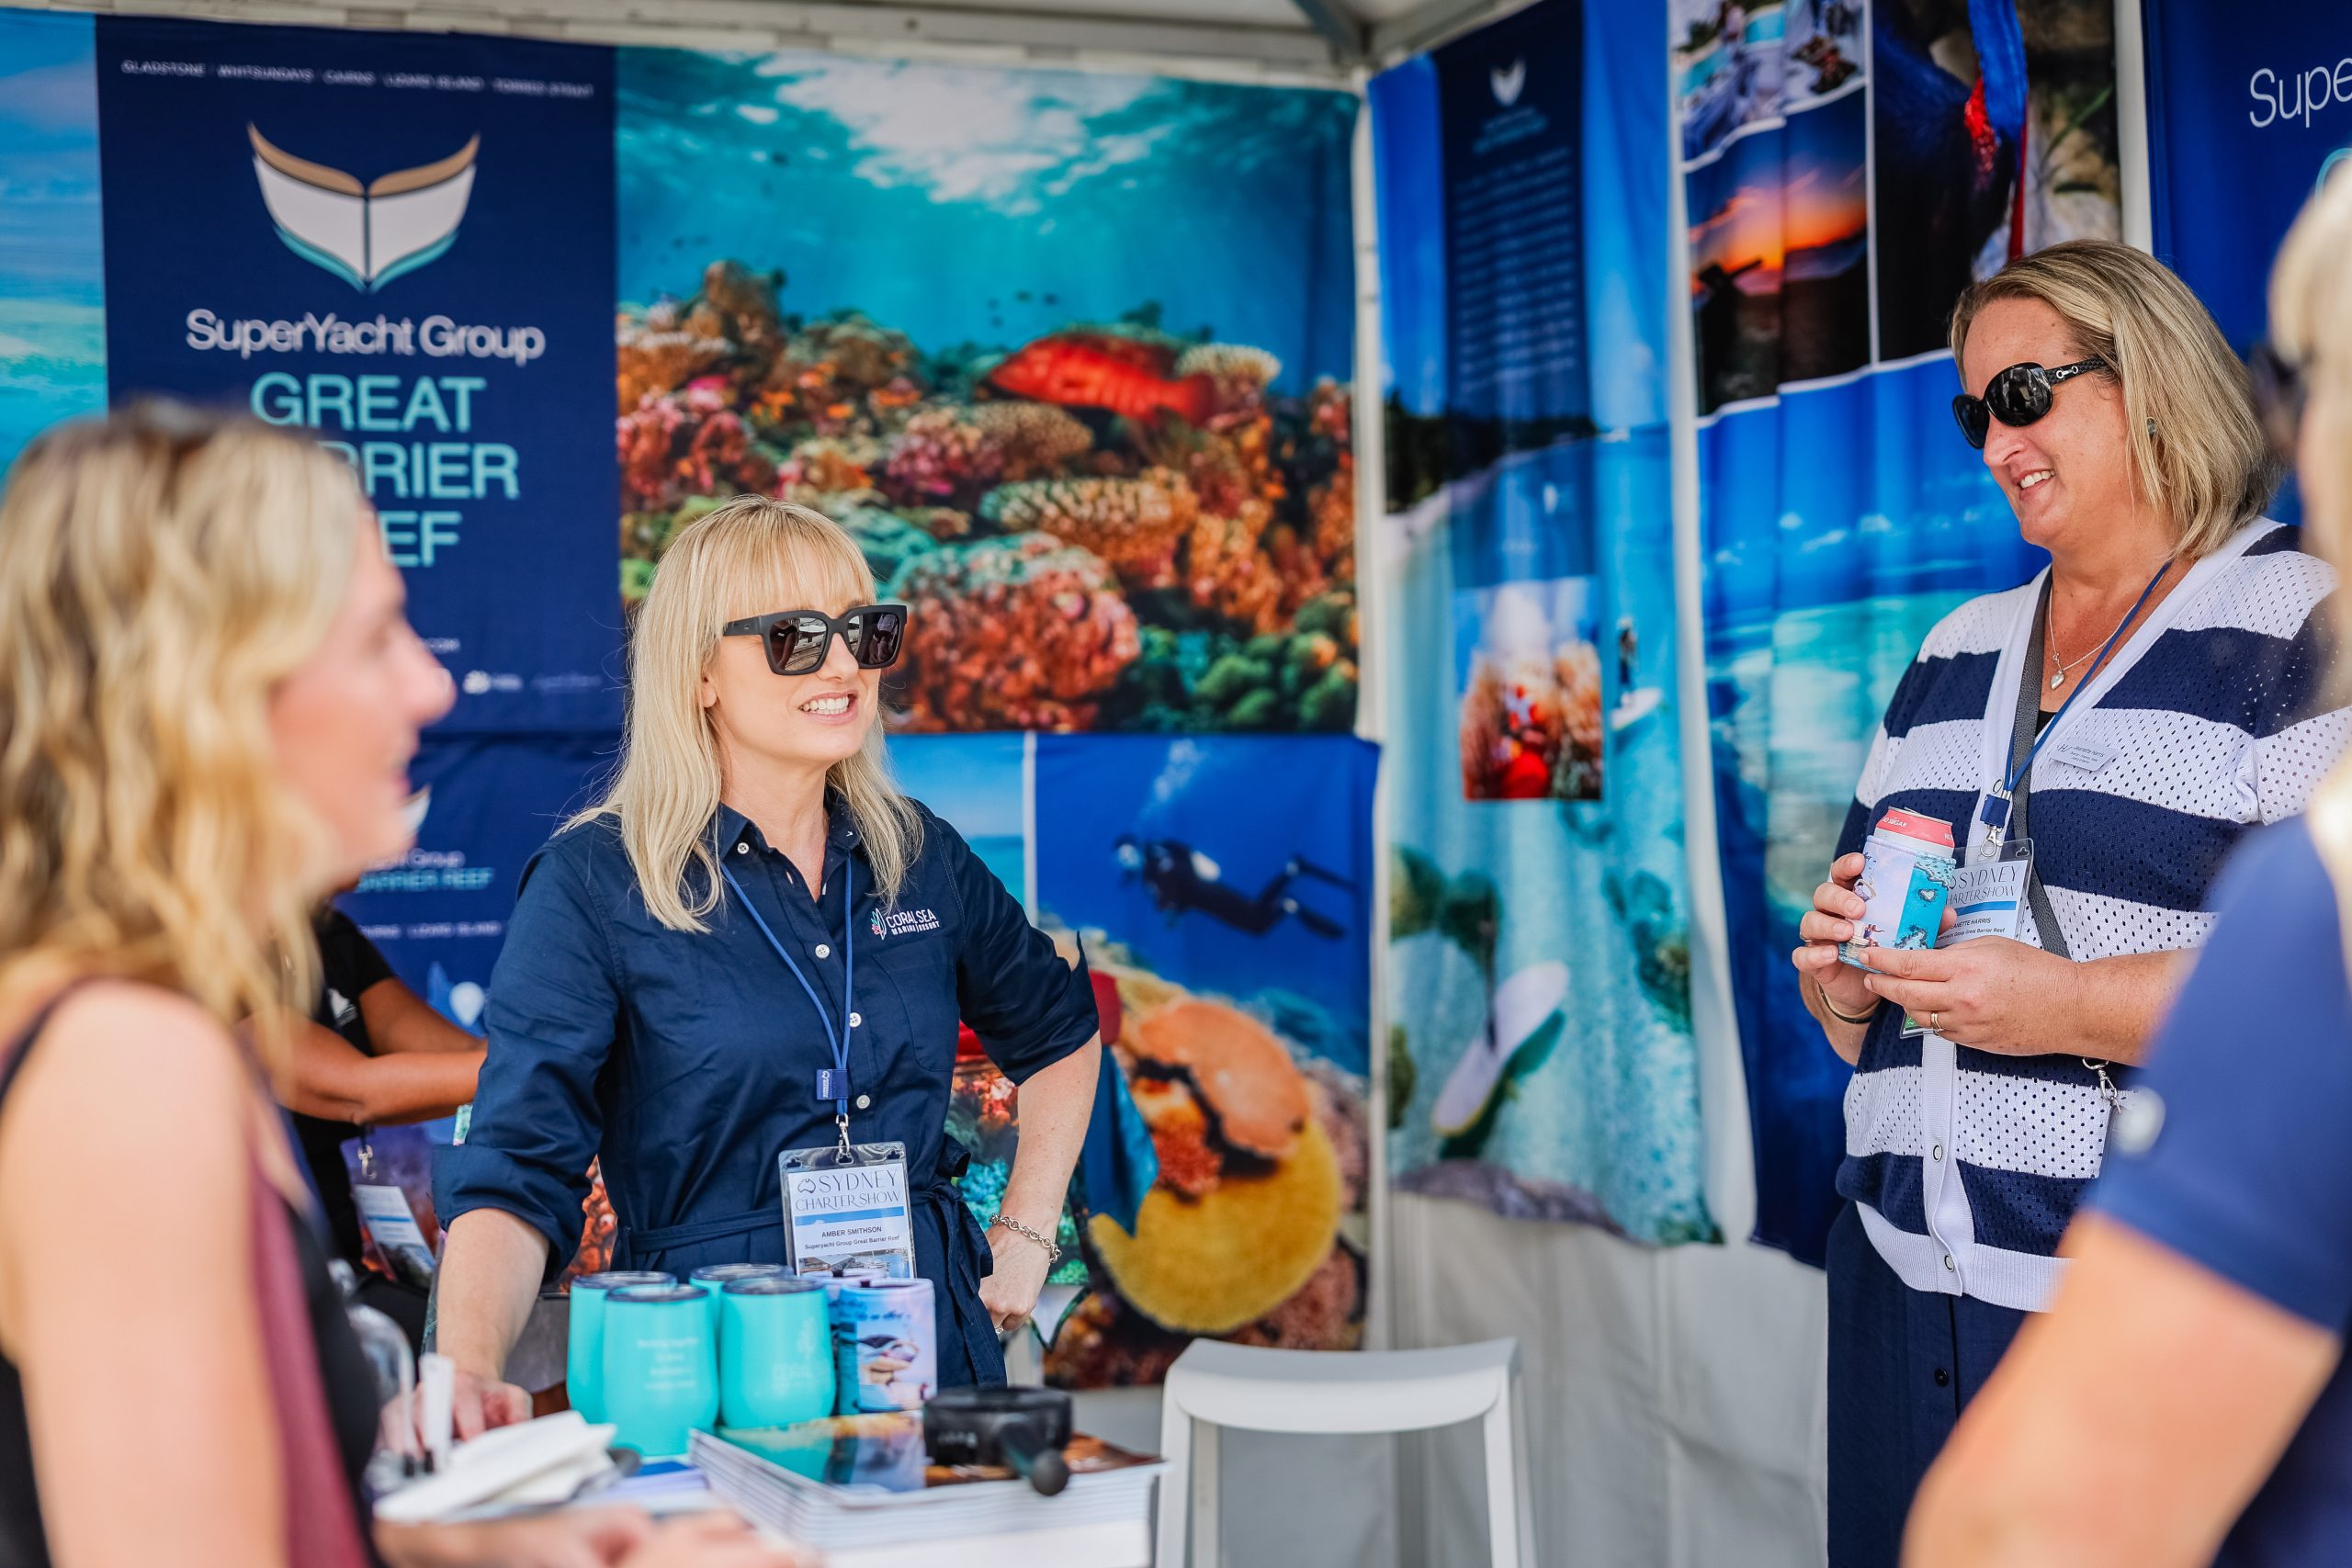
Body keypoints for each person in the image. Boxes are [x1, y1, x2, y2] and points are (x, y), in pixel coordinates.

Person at [0, 405, 788, 1567]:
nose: (429, 687)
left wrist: (488, 1552)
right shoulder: (122, 1068)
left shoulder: (143, 1027)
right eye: (375, 639)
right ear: (210, 685)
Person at [1788, 240, 2349, 1566]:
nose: (1997, 441)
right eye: (1974, 412)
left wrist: (2068, 1005)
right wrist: (1846, 986)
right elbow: (1854, 1019)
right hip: (1893, 1281)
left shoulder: (2299, 621)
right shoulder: (1953, 648)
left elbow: (2325, 982)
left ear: (2146, 380)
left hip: (2134, 1301)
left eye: (2025, 394)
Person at [434, 497, 1102, 1435]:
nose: (843, 665)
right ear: (700, 672)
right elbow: (514, 1167)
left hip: (924, 1351)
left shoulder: (921, 855)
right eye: (794, 637)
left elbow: (1061, 1032)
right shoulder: (595, 882)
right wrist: (466, 1371)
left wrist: (1027, 1232)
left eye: (864, 632)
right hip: (706, 1369)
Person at [281, 902, 487, 1349]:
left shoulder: (328, 931)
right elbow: (357, 1093)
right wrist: (545, 1062)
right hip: (272, 1286)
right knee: (455, 1349)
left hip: (341, 1260)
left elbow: (462, 1055)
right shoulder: (215, 950)